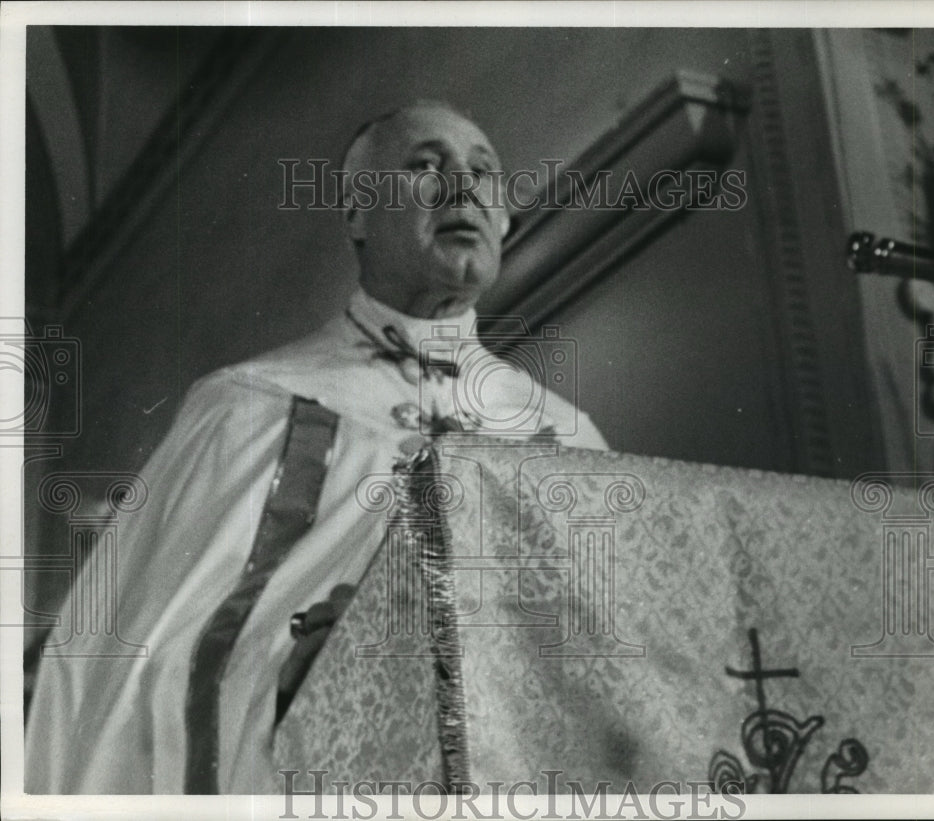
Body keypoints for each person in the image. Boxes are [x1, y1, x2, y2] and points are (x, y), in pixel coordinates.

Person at [25, 100, 607, 794]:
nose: (463, 187)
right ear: (357, 214)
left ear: (505, 218)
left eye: (484, 173)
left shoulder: (567, 435)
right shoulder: (246, 405)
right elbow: (129, 670)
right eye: (426, 166)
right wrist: (306, 660)